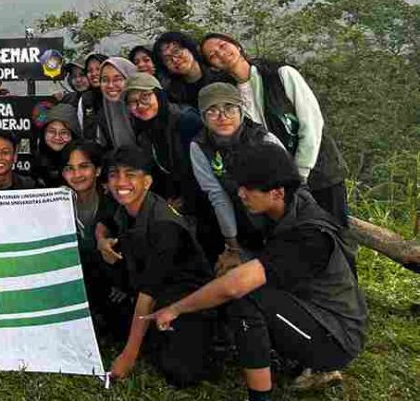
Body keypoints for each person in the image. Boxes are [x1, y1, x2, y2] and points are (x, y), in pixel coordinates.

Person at [145, 145, 367, 399]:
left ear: (277, 192)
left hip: (336, 338)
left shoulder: (310, 235)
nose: (240, 193)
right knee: (236, 280)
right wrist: (236, 256)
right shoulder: (281, 208)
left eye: (248, 188)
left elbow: (235, 286)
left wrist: (176, 309)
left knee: (246, 296)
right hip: (307, 311)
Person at [199, 32, 349, 224]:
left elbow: (312, 124)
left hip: (319, 172)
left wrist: (300, 173)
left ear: (237, 46)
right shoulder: (230, 95)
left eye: (222, 45)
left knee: (333, 229)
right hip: (278, 184)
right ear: (213, 66)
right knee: (297, 234)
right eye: (212, 55)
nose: (220, 53)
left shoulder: (280, 74)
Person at [100, 145, 216, 387]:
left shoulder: (164, 224)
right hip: (149, 290)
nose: (121, 182)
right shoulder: (124, 205)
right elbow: (104, 222)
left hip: (186, 298)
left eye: (130, 174)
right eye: (114, 175)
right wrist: (101, 240)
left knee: (181, 373)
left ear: (147, 182)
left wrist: (128, 356)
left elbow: (148, 293)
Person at [190, 83, 287, 271]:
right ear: (202, 117)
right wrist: (233, 246)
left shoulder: (264, 140)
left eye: (230, 109)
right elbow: (217, 195)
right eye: (212, 111)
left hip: (279, 222)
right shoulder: (200, 146)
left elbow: (290, 189)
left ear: (241, 111)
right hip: (240, 227)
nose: (223, 117)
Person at [61, 142, 128, 339]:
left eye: (84, 166)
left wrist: (125, 284)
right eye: (69, 168)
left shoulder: (115, 201)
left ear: (98, 170)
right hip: (76, 284)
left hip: (113, 284)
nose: (76, 175)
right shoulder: (58, 203)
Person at [124, 73, 201, 211]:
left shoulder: (186, 120)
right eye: (132, 102)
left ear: (159, 95)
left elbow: (198, 168)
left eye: (145, 97)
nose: (140, 105)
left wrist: (185, 199)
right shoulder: (144, 133)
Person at [152, 32, 229, 108]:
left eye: (176, 51)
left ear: (190, 49)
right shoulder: (173, 95)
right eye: (167, 59)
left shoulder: (222, 76)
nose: (175, 60)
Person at [32, 103, 82, 188]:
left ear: (73, 135)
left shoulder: (83, 160)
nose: (57, 137)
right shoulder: (37, 159)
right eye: (51, 131)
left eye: (64, 132)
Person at [97, 57, 139, 152]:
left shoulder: (145, 110)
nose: (110, 85)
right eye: (105, 80)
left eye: (117, 79)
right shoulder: (103, 115)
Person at [77, 53, 107, 141]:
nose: (94, 74)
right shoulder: (85, 99)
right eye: (89, 71)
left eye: (98, 69)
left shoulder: (117, 97)